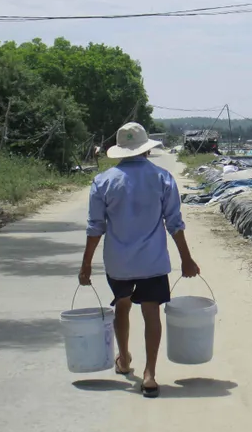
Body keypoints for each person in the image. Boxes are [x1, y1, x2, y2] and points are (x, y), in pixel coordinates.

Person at [79, 121, 200, 397]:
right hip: (152, 261)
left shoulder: (103, 181)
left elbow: (95, 227)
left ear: (121, 150)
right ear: (146, 148)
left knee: (122, 307)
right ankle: (150, 375)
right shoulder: (162, 178)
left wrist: (86, 265)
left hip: (118, 262)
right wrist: (186, 259)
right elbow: (174, 223)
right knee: (151, 311)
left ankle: (123, 359)